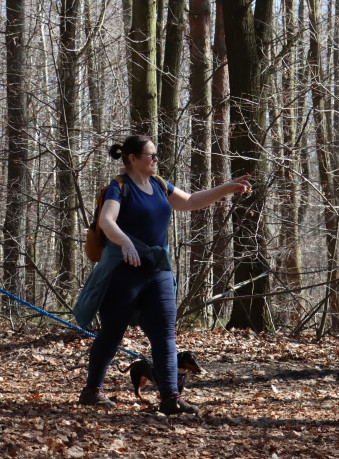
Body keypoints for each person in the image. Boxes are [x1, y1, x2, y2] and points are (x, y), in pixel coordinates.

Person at [74, 135, 251, 414]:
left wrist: (227, 188)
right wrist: (125, 241)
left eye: (156, 155)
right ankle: (92, 391)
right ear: (133, 158)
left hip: (157, 272)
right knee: (111, 333)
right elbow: (106, 221)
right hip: (124, 272)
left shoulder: (158, 184)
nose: (156, 160)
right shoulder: (118, 188)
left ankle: (170, 397)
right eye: (151, 155)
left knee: (165, 333)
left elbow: (191, 201)